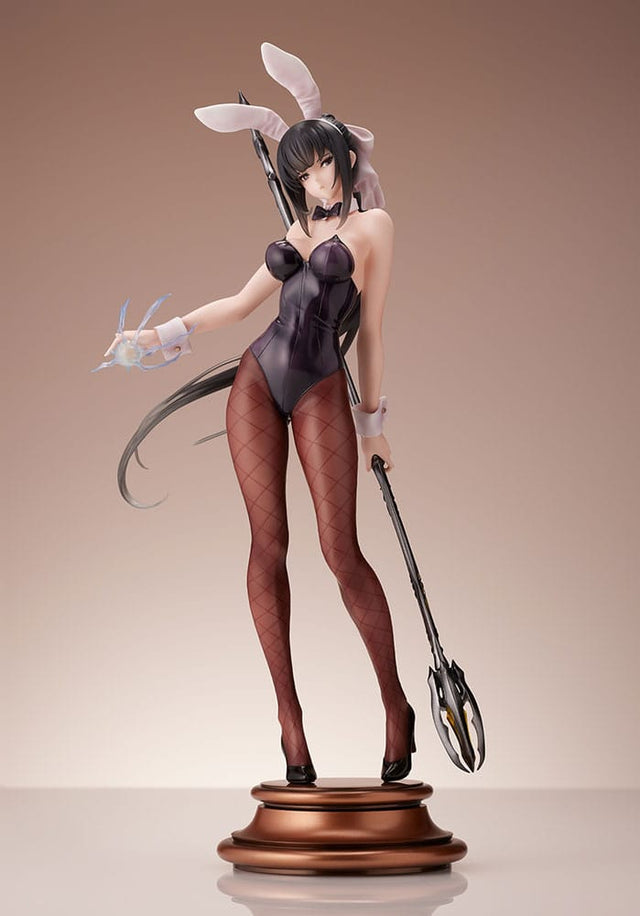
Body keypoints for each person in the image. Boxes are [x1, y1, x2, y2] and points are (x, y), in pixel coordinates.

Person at [105, 47, 415, 785]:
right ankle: (289, 721)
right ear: (291, 179)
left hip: (319, 387)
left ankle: (396, 704)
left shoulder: (374, 228)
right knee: (266, 546)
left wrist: (372, 425)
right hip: (257, 380)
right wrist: (154, 336)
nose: (319, 180)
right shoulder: (298, 236)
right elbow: (240, 306)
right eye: (303, 172)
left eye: (325, 163)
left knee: (340, 552)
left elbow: (372, 333)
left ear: (343, 156)